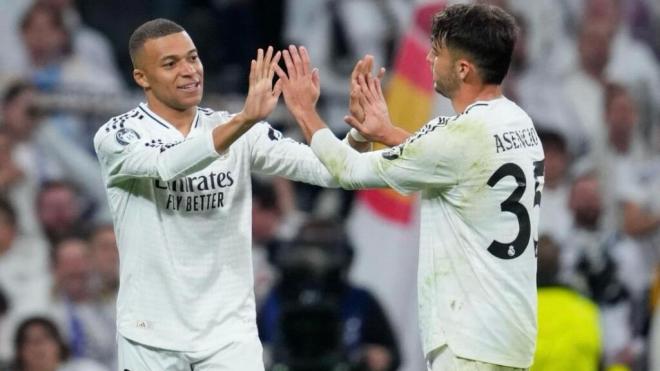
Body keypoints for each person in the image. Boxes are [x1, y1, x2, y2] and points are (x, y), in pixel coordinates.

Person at [275, 3, 544, 370]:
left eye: (441, 53)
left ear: (464, 68)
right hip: (507, 325)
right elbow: (447, 160)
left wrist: (304, 111)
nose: (431, 59)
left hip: (469, 339)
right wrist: (385, 132)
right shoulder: (517, 123)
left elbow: (347, 170)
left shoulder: (460, 136)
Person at [93, 18, 365, 371]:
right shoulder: (118, 135)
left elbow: (328, 171)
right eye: (171, 64)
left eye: (193, 58)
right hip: (151, 334)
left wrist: (356, 135)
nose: (189, 70)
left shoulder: (239, 131)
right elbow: (166, 165)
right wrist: (243, 121)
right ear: (141, 77)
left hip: (227, 335)